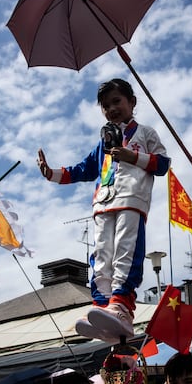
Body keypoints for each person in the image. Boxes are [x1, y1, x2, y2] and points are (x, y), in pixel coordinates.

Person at [37, 78, 170, 341]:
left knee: (125, 250)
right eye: (106, 105)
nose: (111, 108)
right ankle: (101, 305)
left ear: (132, 102)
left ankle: (121, 306)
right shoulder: (103, 143)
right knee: (100, 256)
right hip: (103, 202)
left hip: (131, 199)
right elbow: (83, 169)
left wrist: (132, 157)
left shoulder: (145, 133)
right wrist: (50, 173)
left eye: (117, 101)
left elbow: (163, 164)